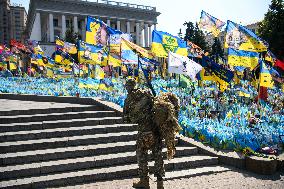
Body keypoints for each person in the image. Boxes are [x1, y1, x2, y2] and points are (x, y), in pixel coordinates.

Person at [123, 78, 165, 189]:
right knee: (158, 156)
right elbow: (156, 105)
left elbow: (126, 119)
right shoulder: (146, 93)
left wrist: (136, 117)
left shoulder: (128, 100)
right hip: (155, 131)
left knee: (141, 155)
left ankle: (144, 181)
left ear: (128, 87)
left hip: (144, 132)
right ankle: (160, 184)